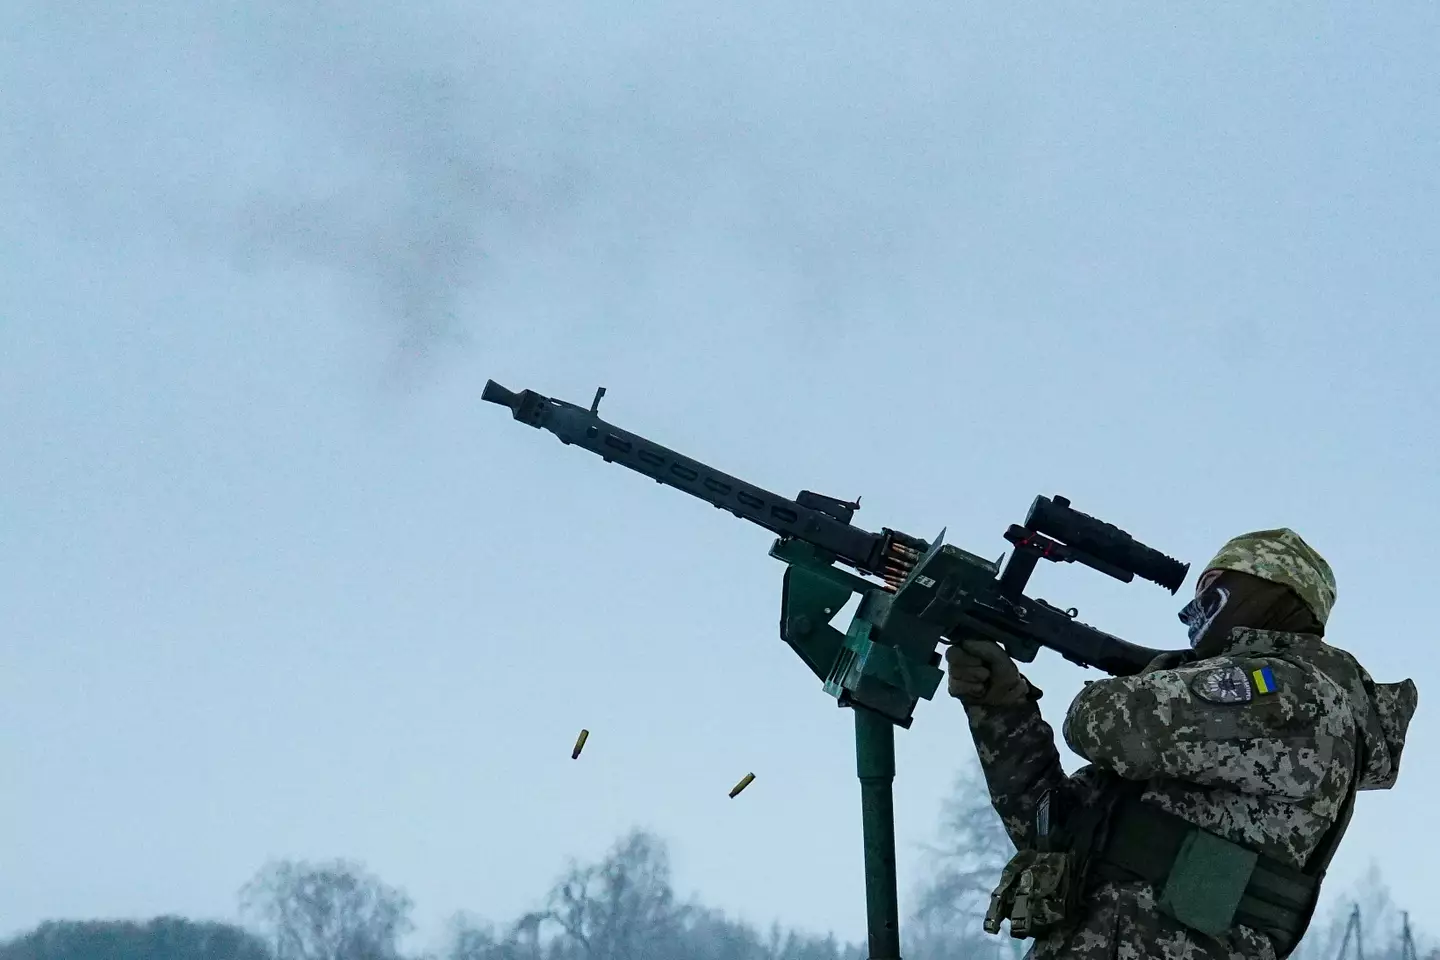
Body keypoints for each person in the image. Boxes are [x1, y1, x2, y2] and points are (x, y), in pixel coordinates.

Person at [947, 528, 1417, 960]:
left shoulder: (1292, 693)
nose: (1194, 608)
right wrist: (1003, 707)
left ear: (1272, 594)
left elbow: (1103, 724)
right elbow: (1048, 830)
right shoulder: (1204, 731)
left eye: (1213, 587)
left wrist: (1156, 672)